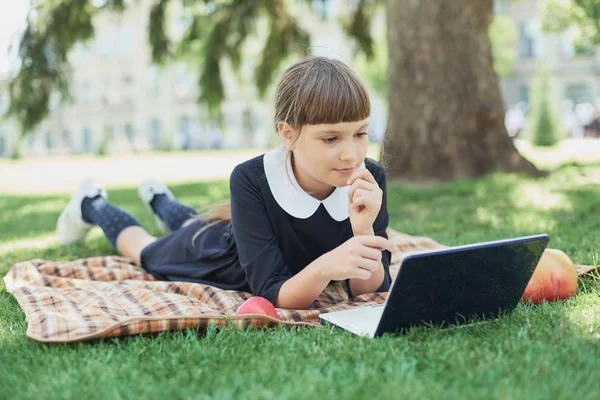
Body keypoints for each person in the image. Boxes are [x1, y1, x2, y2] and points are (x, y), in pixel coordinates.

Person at [56, 56, 394, 310]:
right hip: (225, 257)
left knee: (192, 221)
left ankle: (160, 198)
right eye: (331, 138)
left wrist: (363, 232)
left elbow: (366, 290)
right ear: (288, 135)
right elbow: (274, 292)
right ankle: (92, 203)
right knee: (147, 251)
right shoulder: (252, 179)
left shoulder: (370, 178)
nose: (351, 154)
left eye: (361, 133)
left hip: (254, 240)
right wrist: (325, 266)